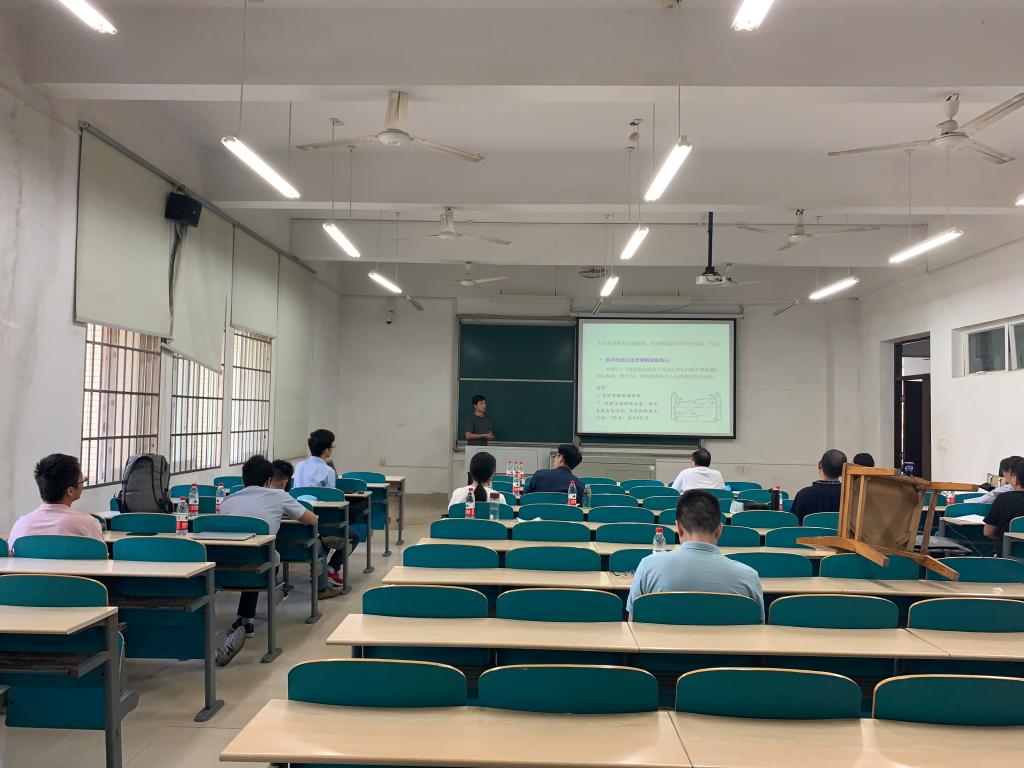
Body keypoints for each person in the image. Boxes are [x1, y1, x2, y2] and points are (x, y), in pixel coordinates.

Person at [215, 455, 340, 665]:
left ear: (243, 479)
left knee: (249, 554)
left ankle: (245, 619)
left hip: (222, 572)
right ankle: (264, 604)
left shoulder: (228, 500)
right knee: (265, 556)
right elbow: (311, 519)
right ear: (268, 480)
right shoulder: (278, 496)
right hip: (260, 570)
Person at [626, 489, 763, 621]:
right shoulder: (749, 578)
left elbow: (633, 626)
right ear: (719, 530)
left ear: (679, 529)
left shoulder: (647, 567)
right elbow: (758, 630)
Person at [9, 454, 104, 555]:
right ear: (70, 491)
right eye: (82, 480)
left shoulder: (21, 525)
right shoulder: (88, 524)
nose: (83, 485)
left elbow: (11, 560)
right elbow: (101, 559)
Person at [790, 449, 847, 522]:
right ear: (843, 471)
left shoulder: (804, 494)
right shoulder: (850, 495)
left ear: (820, 465)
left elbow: (793, 523)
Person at [984, 458, 1024, 547]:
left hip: (1009, 551)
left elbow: (988, 532)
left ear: (1015, 479)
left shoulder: (1003, 498)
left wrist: (1004, 540)